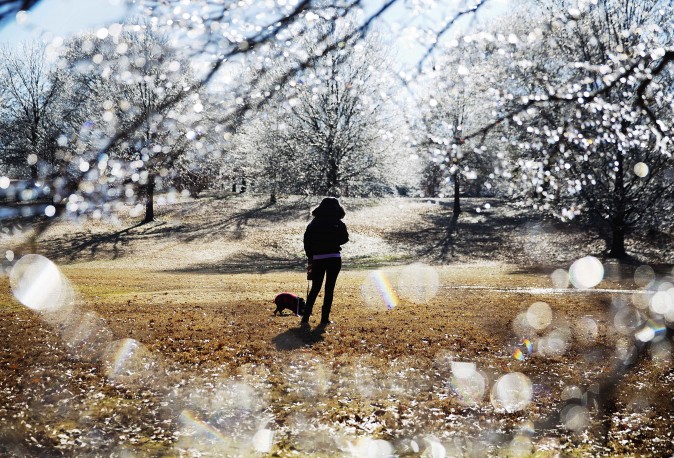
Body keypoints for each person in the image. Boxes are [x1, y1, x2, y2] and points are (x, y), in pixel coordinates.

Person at [302, 197, 349, 327]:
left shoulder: (314, 224)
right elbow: (345, 239)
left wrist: (310, 256)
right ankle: (324, 319)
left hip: (318, 259)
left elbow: (307, 242)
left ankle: (305, 317)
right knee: (329, 289)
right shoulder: (338, 223)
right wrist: (333, 241)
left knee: (315, 288)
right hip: (334, 258)